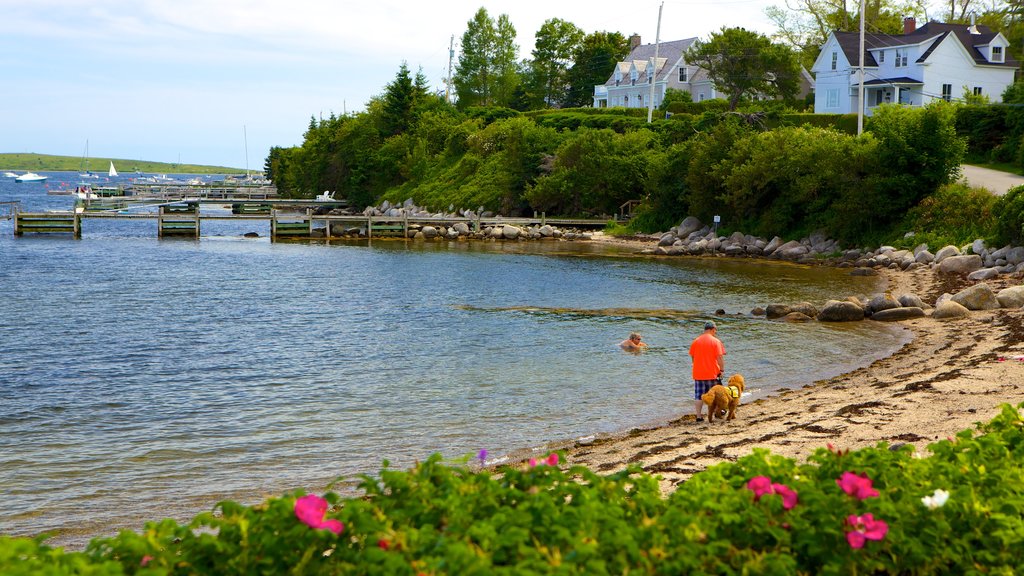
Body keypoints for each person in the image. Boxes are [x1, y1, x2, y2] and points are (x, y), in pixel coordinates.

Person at [689, 320, 725, 421]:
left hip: (698, 373)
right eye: (715, 330)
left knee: (699, 395)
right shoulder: (716, 341)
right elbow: (720, 358)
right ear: (713, 329)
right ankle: (717, 412)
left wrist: (696, 366)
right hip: (712, 373)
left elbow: (692, 357)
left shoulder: (696, 341)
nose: (715, 332)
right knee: (716, 395)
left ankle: (699, 416)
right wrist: (721, 370)